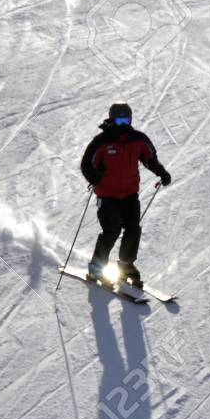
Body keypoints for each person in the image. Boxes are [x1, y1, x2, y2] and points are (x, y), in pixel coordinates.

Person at [79, 102, 171, 287]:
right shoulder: (102, 142)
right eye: (119, 120)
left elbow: (150, 159)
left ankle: (126, 266)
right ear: (112, 119)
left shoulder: (138, 139)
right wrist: (94, 177)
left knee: (133, 229)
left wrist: (162, 172)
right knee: (111, 231)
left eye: (126, 120)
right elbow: (86, 164)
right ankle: (96, 269)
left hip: (129, 194)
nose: (123, 124)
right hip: (107, 195)